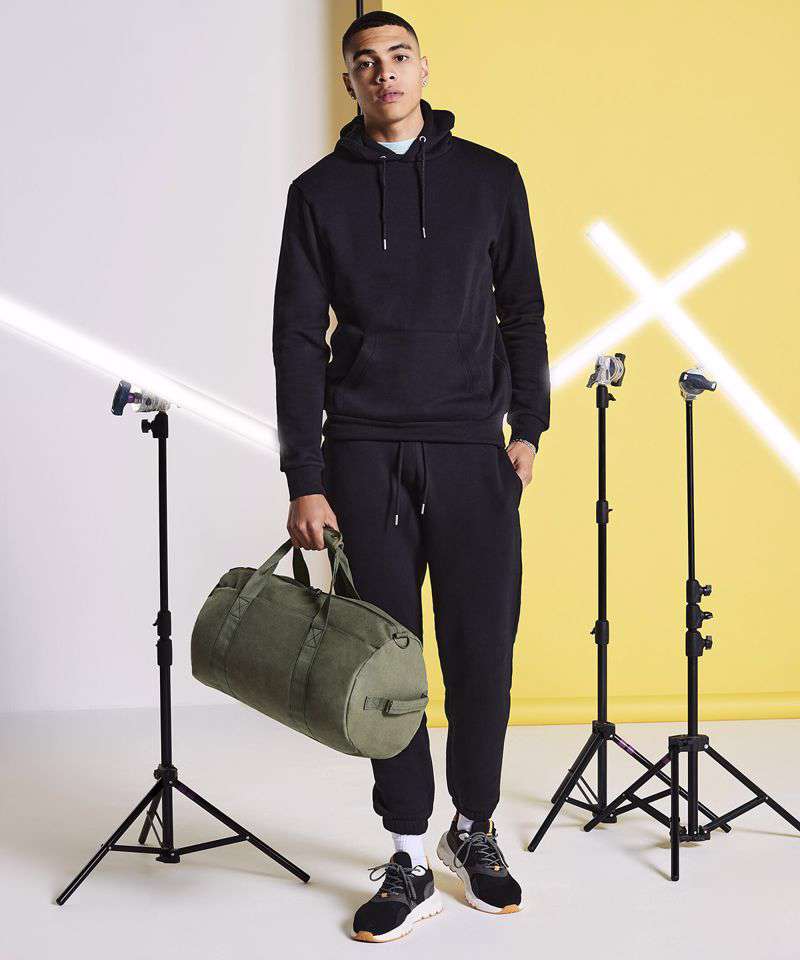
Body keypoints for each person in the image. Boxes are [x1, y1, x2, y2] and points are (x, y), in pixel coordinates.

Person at [272, 10, 549, 943]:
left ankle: (473, 830)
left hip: (472, 450)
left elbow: (523, 310)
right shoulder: (317, 193)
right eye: (365, 62)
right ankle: (404, 850)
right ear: (349, 82)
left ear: (424, 69)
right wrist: (305, 473)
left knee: (482, 652)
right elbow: (296, 337)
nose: (383, 72)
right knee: (383, 666)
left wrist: (529, 428)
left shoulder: (491, 178)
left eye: (397, 57)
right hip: (363, 453)